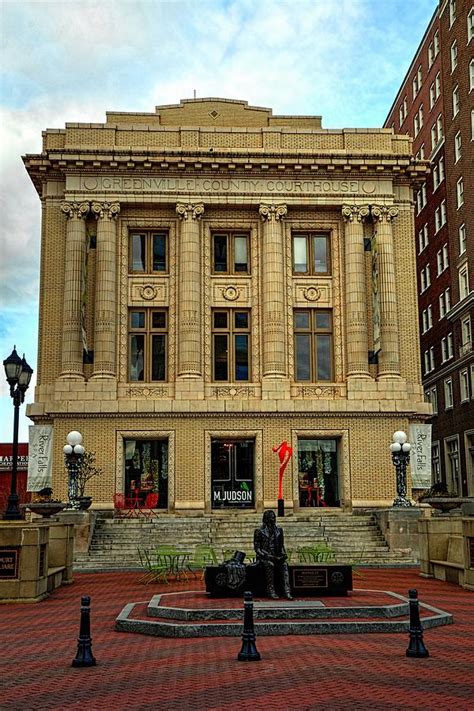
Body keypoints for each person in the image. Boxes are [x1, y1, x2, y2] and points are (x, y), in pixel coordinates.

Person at [254, 510, 293, 600]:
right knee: (270, 565)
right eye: (272, 518)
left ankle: (287, 591)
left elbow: (281, 545)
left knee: (284, 565)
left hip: (277, 556)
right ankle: (271, 590)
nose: (274, 519)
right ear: (266, 519)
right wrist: (267, 556)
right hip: (264, 558)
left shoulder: (279, 531)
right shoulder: (259, 531)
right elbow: (257, 549)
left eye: (274, 517)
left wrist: (283, 554)